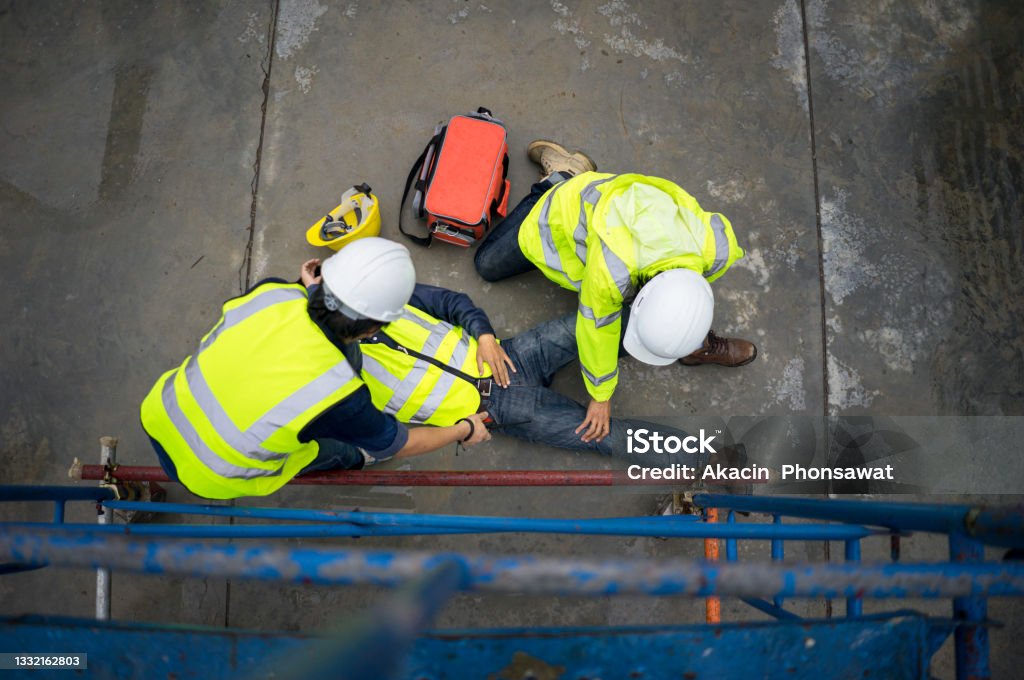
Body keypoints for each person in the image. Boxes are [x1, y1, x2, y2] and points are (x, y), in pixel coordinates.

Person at [299, 265, 744, 476]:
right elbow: (355, 448)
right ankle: (710, 460)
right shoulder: (336, 388)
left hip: (511, 355)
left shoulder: (376, 295)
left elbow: (451, 303)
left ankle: (688, 343)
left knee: (605, 325)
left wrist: (485, 335)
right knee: (606, 435)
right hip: (500, 409)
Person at [139, 238, 490, 500]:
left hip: (161, 411)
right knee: (336, 448)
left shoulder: (272, 292)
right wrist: (463, 429)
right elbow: (400, 444)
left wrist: (310, 292)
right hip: (213, 472)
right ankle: (354, 459)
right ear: (372, 330)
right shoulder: (339, 391)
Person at [474, 140, 757, 443]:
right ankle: (562, 175)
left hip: (619, 222)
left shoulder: (717, 249)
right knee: (487, 265)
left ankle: (694, 345)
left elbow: (689, 297)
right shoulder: (611, 272)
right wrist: (601, 395)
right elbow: (596, 330)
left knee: (671, 315)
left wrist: (686, 327)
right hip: (560, 214)